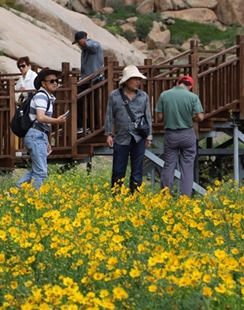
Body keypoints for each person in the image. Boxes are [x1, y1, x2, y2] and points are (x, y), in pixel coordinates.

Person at [14, 68, 67, 192]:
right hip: (35, 135)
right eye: (51, 81)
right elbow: (40, 117)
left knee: (37, 170)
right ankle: (34, 197)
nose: (55, 83)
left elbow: (41, 123)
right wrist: (57, 120)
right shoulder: (42, 96)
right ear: (43, 83)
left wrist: (46, 140)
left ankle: (14, 193)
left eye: (57, 81)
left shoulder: (47, 97)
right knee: (41, 172)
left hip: (38, 135)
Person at [105, 65, 153, 194]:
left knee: (137, 170)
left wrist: (149, 136)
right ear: (126, 81)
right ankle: (116, 194)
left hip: (139, 137)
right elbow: (109, 115)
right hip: (121, 137)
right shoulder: (114, 95)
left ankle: (135, 195)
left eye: (139, 79)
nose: (138, 82)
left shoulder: (143, 96)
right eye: (135, 79)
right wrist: (108, 134)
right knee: (118, 169)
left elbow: (148, 116)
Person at [154, 75, 205, 198]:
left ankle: (165, 196)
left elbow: (159, 117)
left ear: (178, 82)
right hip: (187, 134)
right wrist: (192, 118)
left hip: (171, 134)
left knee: (169, 165)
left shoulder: (164, 95)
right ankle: (185, 198)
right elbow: (200, 117)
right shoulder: (193, 97)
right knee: (187, 167)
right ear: (190, 86)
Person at [73, 31, 104, 133]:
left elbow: (92, 47)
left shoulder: (96, 46)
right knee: (75, 97)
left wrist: (88, 39)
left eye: (79, 41)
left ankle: (95, 126)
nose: (79, 44)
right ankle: (82, 125)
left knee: (93, 103)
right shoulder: (84, 50)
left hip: (95, 79)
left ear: (85, 38)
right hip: (85, 80)